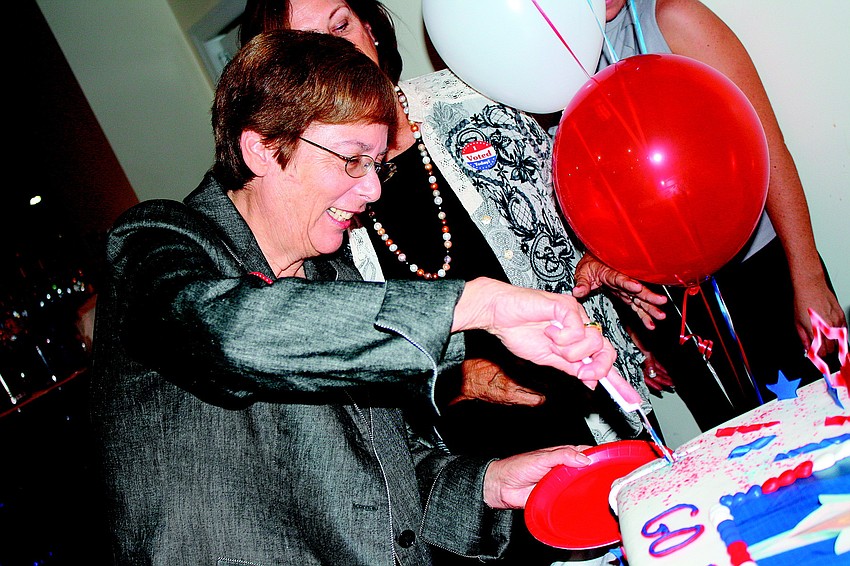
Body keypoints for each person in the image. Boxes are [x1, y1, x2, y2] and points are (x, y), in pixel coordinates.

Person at [89, 30, 620, 565]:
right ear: (263, 149)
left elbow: (385, 471)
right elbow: (234, 334)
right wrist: (474, 304)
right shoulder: (155, 240)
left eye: (376, 164)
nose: (373, 190)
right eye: (350, 160)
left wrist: (488, 486)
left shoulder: (337, 281)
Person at [239, 3, 669, 562]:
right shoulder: (312, 208)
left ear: (371, 27)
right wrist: (456, 379)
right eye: (304, 44)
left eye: (340, 25)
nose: (334, 52)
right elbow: (344, 366)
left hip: (591, 407)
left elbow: (570, 204)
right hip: (477, 482)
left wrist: (599, 259)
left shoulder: (478, 99)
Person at [594, 0, 847, 430]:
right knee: (736, 457)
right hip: (668, 307)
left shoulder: (672, 17)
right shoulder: (558, 61)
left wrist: (807, 278)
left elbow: (767, 147)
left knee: (826, 434)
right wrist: (636, 334)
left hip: (758, 275)